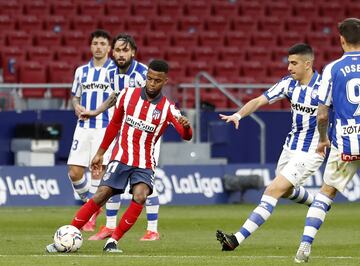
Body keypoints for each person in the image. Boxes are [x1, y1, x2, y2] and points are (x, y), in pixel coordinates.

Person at [46, 59, 193, 253]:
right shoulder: (127, 95)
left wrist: (187, 126)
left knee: (140, 196)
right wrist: (100, 153)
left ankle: (113, 241)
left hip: (145, 163)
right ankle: (67, 237)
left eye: (156, 80)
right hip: (120, 158)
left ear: (165, 81)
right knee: (101, 195)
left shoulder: (168, 108)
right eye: (149, 78)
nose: (151, 83)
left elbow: (186, 136)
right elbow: (114, 124)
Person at [216, 43, 325, 251]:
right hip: (290, 147)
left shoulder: (324, 88)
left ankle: (236, 239)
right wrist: (238, 114)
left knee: (273, 189)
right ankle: (318, 203)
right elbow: (259, 100)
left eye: (294, 63)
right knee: (285, 191)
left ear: (308, 64)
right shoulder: (288, 84)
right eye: (288, 63)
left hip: (312, 150)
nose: (289, 68)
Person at [84, 34, 162, 241]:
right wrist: (95, 112)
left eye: (125, 50)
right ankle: (109, 226)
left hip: (146, 135)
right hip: (123, 134)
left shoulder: (143, 73)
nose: (120, 54)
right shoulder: (111, 72)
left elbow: (155, 103)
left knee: (145, 180)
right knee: (112, 179)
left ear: (133, 53)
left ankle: (152, 229)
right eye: (117, 50)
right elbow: (114, 98)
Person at [294, 18, 360, 263]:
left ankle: (305, 245)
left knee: (326, 193)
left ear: (341, 39)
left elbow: (322, 113)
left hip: (346, 140)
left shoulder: (333, 69)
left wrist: (323, 139)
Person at [67, 29, 116, 232]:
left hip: (104, 127)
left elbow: (116, 98)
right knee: (74, 172)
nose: (98, 47)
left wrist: (96, 111)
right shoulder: (81, 71)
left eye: (102, 44)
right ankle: (91, 204)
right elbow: (75, 96)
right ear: (90, 46)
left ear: (109, 48)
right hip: (83, 127)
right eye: (95, 43)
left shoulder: (114, 71)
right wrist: (76, 106)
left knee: (98, 172)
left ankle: (92, 216)